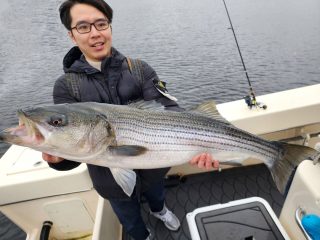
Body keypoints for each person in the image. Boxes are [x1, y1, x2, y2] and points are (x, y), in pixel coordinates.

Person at [42, 1, 219, 239]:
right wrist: (58, 160)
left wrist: (198, 143)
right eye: (83, 27)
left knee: (157, 195)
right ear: (72, 35)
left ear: (110, 27)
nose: (95, 33)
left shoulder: (139, 69)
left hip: (154, 165)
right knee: (128, 217)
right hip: (109, 180)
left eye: (101, 24)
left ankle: (160, 211)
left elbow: (169, 109)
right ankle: (141, 235)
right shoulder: (66, 86)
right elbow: (74, 142)